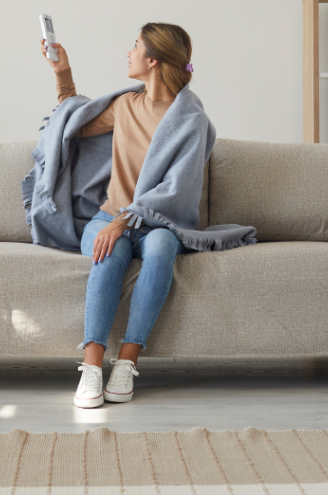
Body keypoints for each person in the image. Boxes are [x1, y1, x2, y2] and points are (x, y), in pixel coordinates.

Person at [40, 23, 197, 409]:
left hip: (160, 222)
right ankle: (92, 366)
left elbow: (177, 190)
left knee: (161, 247)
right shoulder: (126, 105)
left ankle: (127, 362)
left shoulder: (191, 119)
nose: (128, 53)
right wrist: (63, 74)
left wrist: (124, 221)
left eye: (135, 46)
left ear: (153, 61)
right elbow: (72, 125)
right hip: (107, 217)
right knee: (109, 251)